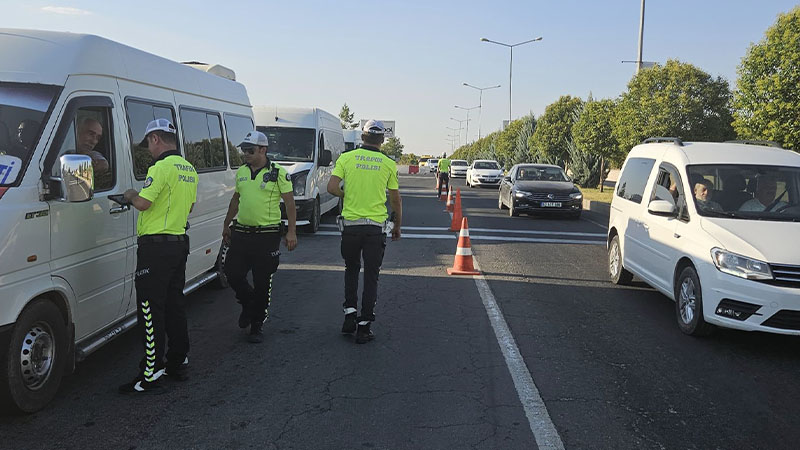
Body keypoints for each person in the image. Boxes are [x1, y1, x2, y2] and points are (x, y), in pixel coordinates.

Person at [119, 119, 198, 394]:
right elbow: (190, 206)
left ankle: (150, 373)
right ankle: (178, 361)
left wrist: (130, 194)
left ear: (155, 139)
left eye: (148, 145)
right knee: (175, 305)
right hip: (178, 244)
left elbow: (144, 202)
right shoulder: (189, 169)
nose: (149, 151)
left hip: (156, 248)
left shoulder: (161, 167)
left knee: (151, 310)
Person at [327, 119, 402, 344]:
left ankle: (349, 314)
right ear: (382, 140)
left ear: (362, 137)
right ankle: (364, 326)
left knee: (351, 269)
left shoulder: (346, 158)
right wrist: (397, 225)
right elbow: (395, 199)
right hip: (375, 229)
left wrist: (347, 195)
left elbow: (331, 187)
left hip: (350, 227)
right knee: (371, 276)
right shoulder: (388, 163)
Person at [222, 131, 297, 343]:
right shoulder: (242, 173)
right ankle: (249, 303)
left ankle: (256, 325)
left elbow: (290, 204)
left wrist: (291, 231)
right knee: (232, 273)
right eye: (243, 150)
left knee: (263, 281)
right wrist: (226, 223)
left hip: (267, 235)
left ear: (263, 150)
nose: (245, 153)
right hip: (241, 233)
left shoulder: (279, 173)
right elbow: (236, 199)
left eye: (250, 150)